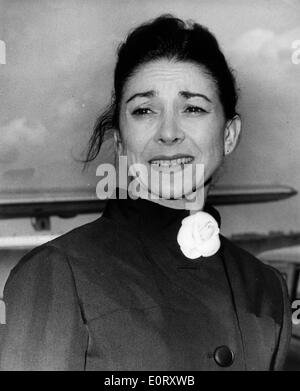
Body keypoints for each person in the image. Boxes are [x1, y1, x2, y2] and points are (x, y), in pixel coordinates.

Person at [0, 14, 291, 371]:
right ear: (121, 141)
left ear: (229, 135)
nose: (168, 132)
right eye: (144, 110)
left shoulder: (267, 289)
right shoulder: (56, 274)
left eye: (194, 108)